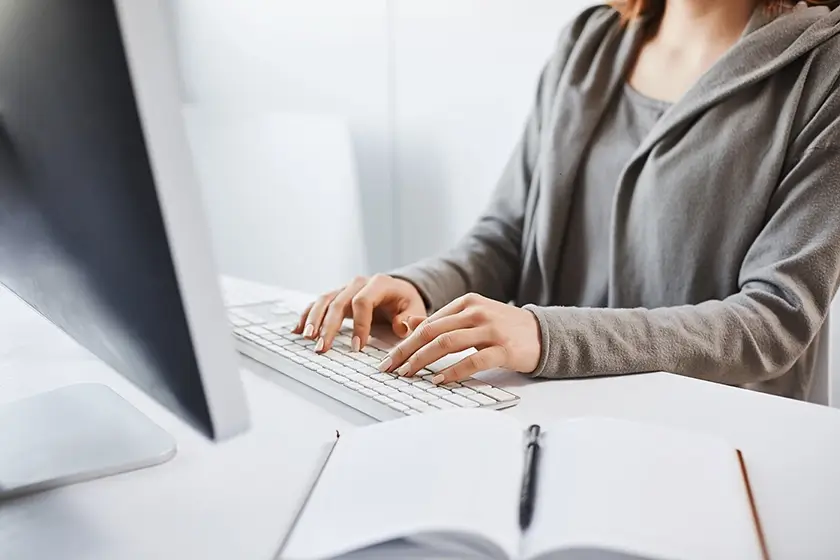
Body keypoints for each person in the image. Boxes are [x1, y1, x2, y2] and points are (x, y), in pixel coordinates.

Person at [296, 0, 840, 401]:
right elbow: (507, 236)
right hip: (537, 415)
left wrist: (545, 336)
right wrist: (418, 287)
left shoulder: (824, 72)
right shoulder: (589, 43)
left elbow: (776, 318)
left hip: (716, 445)